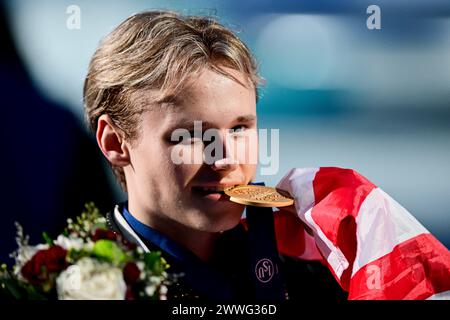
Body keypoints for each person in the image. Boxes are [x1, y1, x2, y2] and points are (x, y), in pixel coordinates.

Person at [84, 10, 450, 300]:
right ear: (115, 143)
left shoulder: (321, 265)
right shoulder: (72, 282)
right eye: (191, 135)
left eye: (240, 128)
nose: (225, 158)